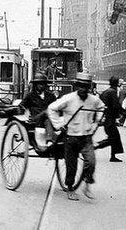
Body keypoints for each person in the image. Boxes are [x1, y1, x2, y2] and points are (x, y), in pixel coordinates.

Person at [47, 73, 104, 201]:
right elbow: (51, 108)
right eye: (81, 86)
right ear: (77, 86)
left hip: (86, 137)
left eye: (86, 86)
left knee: (91, 161)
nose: (83, 89)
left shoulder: (94, 100)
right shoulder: (68, 98)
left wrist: (95, 124)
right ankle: (70, 188)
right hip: (71, 137)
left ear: (89, 87)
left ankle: (87, 184)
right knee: (71, 165)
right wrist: (58, 125)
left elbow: (101, 108)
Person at [20, 73, 57, 148]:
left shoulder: (51, 95)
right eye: (39, 84)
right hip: (36, 119)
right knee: (46, 114)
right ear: (35, 85)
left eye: (43, 84)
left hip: (50, 118)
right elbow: (22, 106)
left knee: (49, 116)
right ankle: (49, 140)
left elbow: (56, 107)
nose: (41, 86)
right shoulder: (30, 95)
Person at [96, 76, 124, 162]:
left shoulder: (106, 92)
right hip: (110, 119)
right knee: (112, 138)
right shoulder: (113, 92)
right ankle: (95, 146)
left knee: (114, 137)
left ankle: (113, 156)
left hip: (106, 117)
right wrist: (123, 112)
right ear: (116, 83)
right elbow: (116, 105)